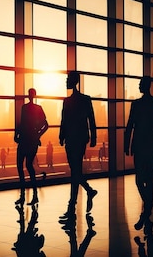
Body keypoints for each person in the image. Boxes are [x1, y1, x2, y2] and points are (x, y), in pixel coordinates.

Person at [124, 76, 153, 231]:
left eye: (140, 84)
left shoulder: (136, 105)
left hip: (140, 146)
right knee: (148, 180)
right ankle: (147, 209)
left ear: (146, 86)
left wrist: (127, 144)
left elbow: (130, 126)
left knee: (141, 180)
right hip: (151, 147)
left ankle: (146, 213)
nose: (139, 86)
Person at [59, 71, 98, 219]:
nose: (66, 81)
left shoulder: (76, 101)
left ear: (74, 81)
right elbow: (65, 120)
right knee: (75, 171)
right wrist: (62, 135)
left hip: (76, 139)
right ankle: (88, 190)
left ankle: (71, 208)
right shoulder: (76, 100)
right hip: (76, 138)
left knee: (75, 171)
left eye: (68, 79)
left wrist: (62, 135)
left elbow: (90, 119)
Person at [14, 88, 49, 205]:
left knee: (24, 166)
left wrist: (35, 135)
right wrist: (37, 135)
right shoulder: (34, 108)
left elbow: (21, 123)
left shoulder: (25, 108)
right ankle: (31, 196)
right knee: (26, 166)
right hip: (29, 140)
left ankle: (26, 196)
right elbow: (45, 124)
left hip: (26, 140)